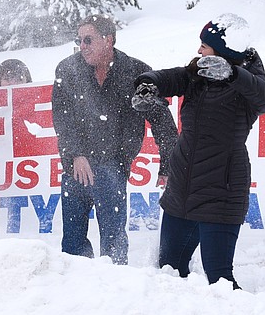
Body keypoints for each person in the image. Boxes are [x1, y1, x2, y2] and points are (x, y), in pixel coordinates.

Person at [133, 15, 265, 287]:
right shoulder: (196, 74)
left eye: (205, 46)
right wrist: (147, 84)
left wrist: (233, 74)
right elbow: (167, 77)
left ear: (223, 51)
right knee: (169, 270)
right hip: (181, 190)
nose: (199, 51)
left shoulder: (248, 83)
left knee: (219, 279)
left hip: (220, 192)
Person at [51, 15, 178, 265]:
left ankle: (115, 288)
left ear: (108, 40)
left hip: (114, 165)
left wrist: (167, 164)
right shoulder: (67, 69)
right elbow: (62, 118)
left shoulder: (136, 72)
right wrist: (76, 154)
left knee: (113, 240)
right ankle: (74, 288)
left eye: (88, 40)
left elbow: (161, 118)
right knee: (73, 243)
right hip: (75, 166)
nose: (83, 46)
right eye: (79, 40)